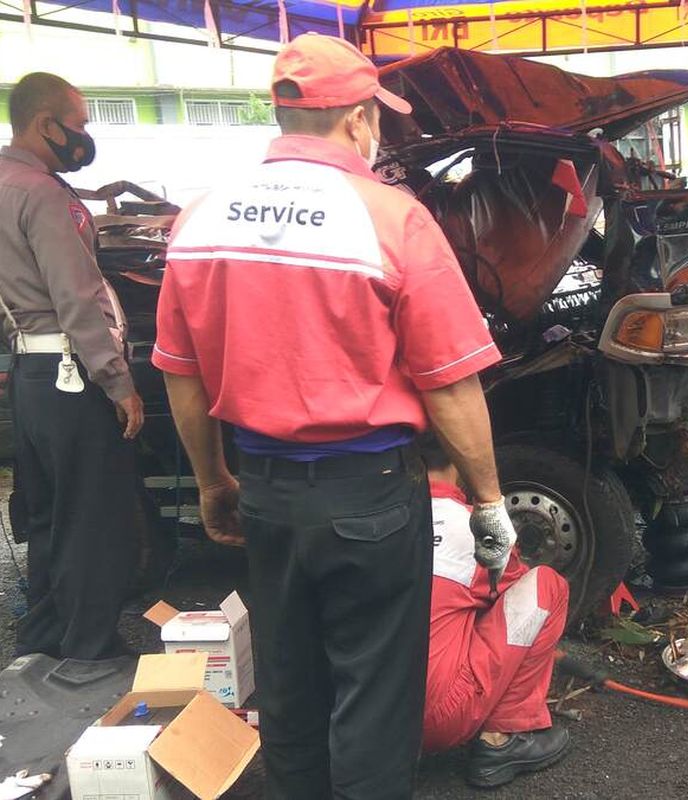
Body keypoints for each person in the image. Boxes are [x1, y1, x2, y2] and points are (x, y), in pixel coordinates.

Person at [152, 34, 522, 799]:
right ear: (358, 120)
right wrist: (487, 500)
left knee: (289, 686)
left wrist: (213, 483)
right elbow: (450, 385)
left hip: (267, 494)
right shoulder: (393, 219)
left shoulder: (202, 219)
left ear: (283, 113)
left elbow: (181, 378)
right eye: (375, 117)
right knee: (374, 699)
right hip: (370, 498)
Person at [0, 72, 145, 660]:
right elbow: (77, 295)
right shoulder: (43, 194)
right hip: (72, 374)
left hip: (29, 376)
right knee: (93, 516)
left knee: (48, 513)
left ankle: (44, 635)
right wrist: (118, 381)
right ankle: (90, 649)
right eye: (79, 125)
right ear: (45, 125)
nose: (84, 137)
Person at [421, 437, 571, 787]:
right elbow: (515, 597)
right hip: (435, 718)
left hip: (356, 712)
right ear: (458, 462)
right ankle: (503, 739)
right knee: (546, 587)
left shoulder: (368, 526)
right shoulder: (471, 529)